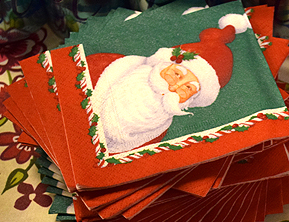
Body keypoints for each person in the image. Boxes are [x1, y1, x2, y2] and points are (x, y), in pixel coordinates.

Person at [88, 13, 250, 154]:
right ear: (162, 65)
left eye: (188, 88)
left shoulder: (158, 128)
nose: (173, 88)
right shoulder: (100, 66)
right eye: (177, 74)